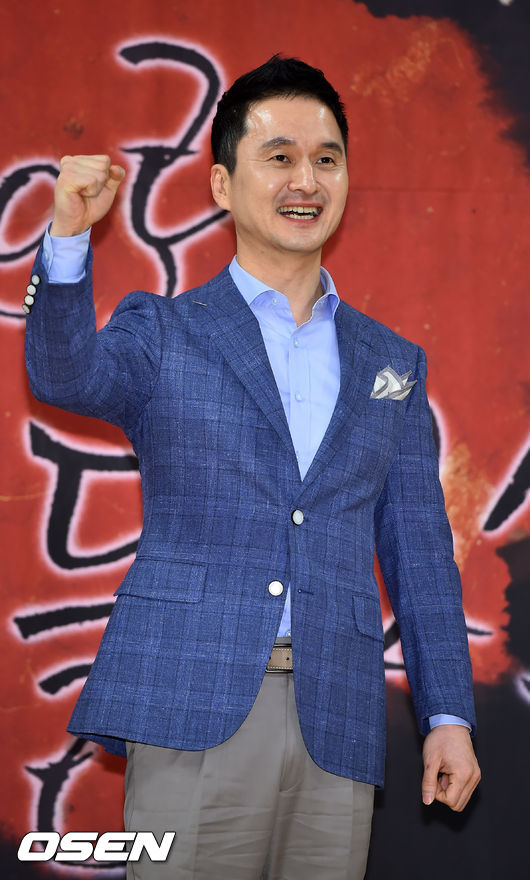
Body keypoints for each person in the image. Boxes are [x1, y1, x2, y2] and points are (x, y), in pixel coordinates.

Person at [24, 56, 480, 879]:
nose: (307, 179)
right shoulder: (164, 330)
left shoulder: (392, 361)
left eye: (326, 158)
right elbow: (65, 375)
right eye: (279, 157)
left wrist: (447, 713)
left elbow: (420, 552)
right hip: (189, 698)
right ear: (222, 185)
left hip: (338, 715)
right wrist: (66, 240)